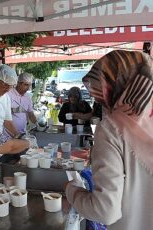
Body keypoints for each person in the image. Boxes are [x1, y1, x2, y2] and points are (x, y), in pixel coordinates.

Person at [65, 50, 153, 230]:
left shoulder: (112, 127)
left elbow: (105, 211)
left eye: (100, 87)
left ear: (115, 83)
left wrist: (71, 190)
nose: (99, 96)